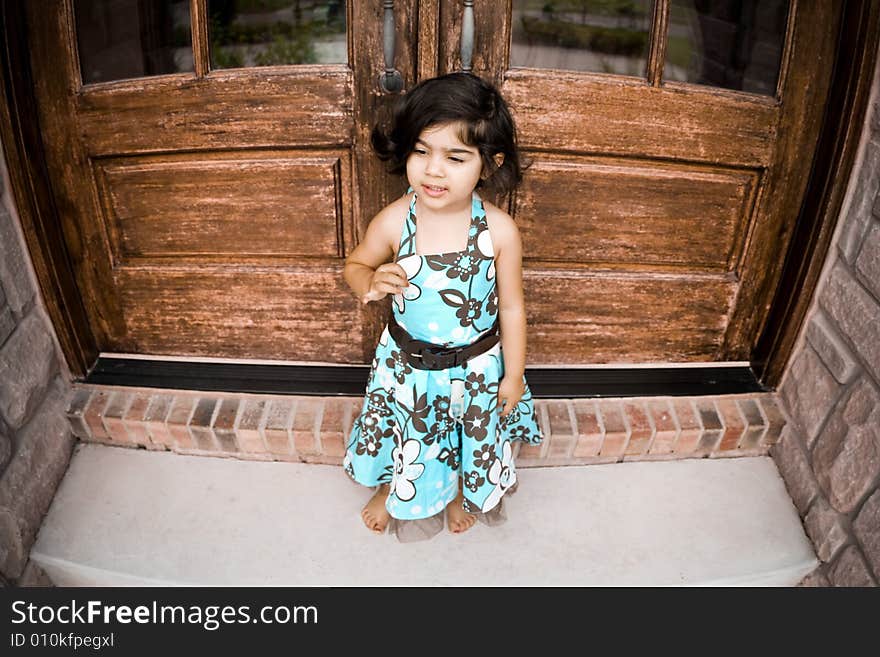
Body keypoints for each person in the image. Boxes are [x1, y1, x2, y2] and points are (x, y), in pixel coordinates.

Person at [342, 72, 543, 541]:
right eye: (421, 151)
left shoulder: (498, 231)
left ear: (488, 164)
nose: (434, 170)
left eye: (455, 157)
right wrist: (369, 281)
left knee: (466, 438)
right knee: (407, 435)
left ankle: (457, 493)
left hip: (476, 368)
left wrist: (513, 376)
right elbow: (356, 264)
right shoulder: (395, 221)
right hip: (407, 368)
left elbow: (512, 308)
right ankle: (395, 487)